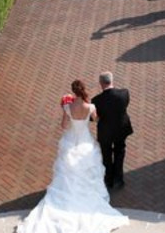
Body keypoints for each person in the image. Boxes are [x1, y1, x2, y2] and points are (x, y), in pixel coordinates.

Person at [16, 80, 130, 233]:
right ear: (83, 91)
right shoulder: (90, 107)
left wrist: (68, 111)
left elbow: (63, 126)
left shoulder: (68, 107)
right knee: (89, 167)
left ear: (73, 92)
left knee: (67, 169)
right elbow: (96, 119)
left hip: (71, 139)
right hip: (85, 140)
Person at [91, 72, 133, 190]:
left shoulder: (96, 100)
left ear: (101, 83)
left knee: (106, 155)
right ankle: (118, 179)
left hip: (106, 132)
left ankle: (108, 180)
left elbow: (92, 118)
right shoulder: (124, 93)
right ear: (111, 80)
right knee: (120, 151)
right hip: (121, 129)